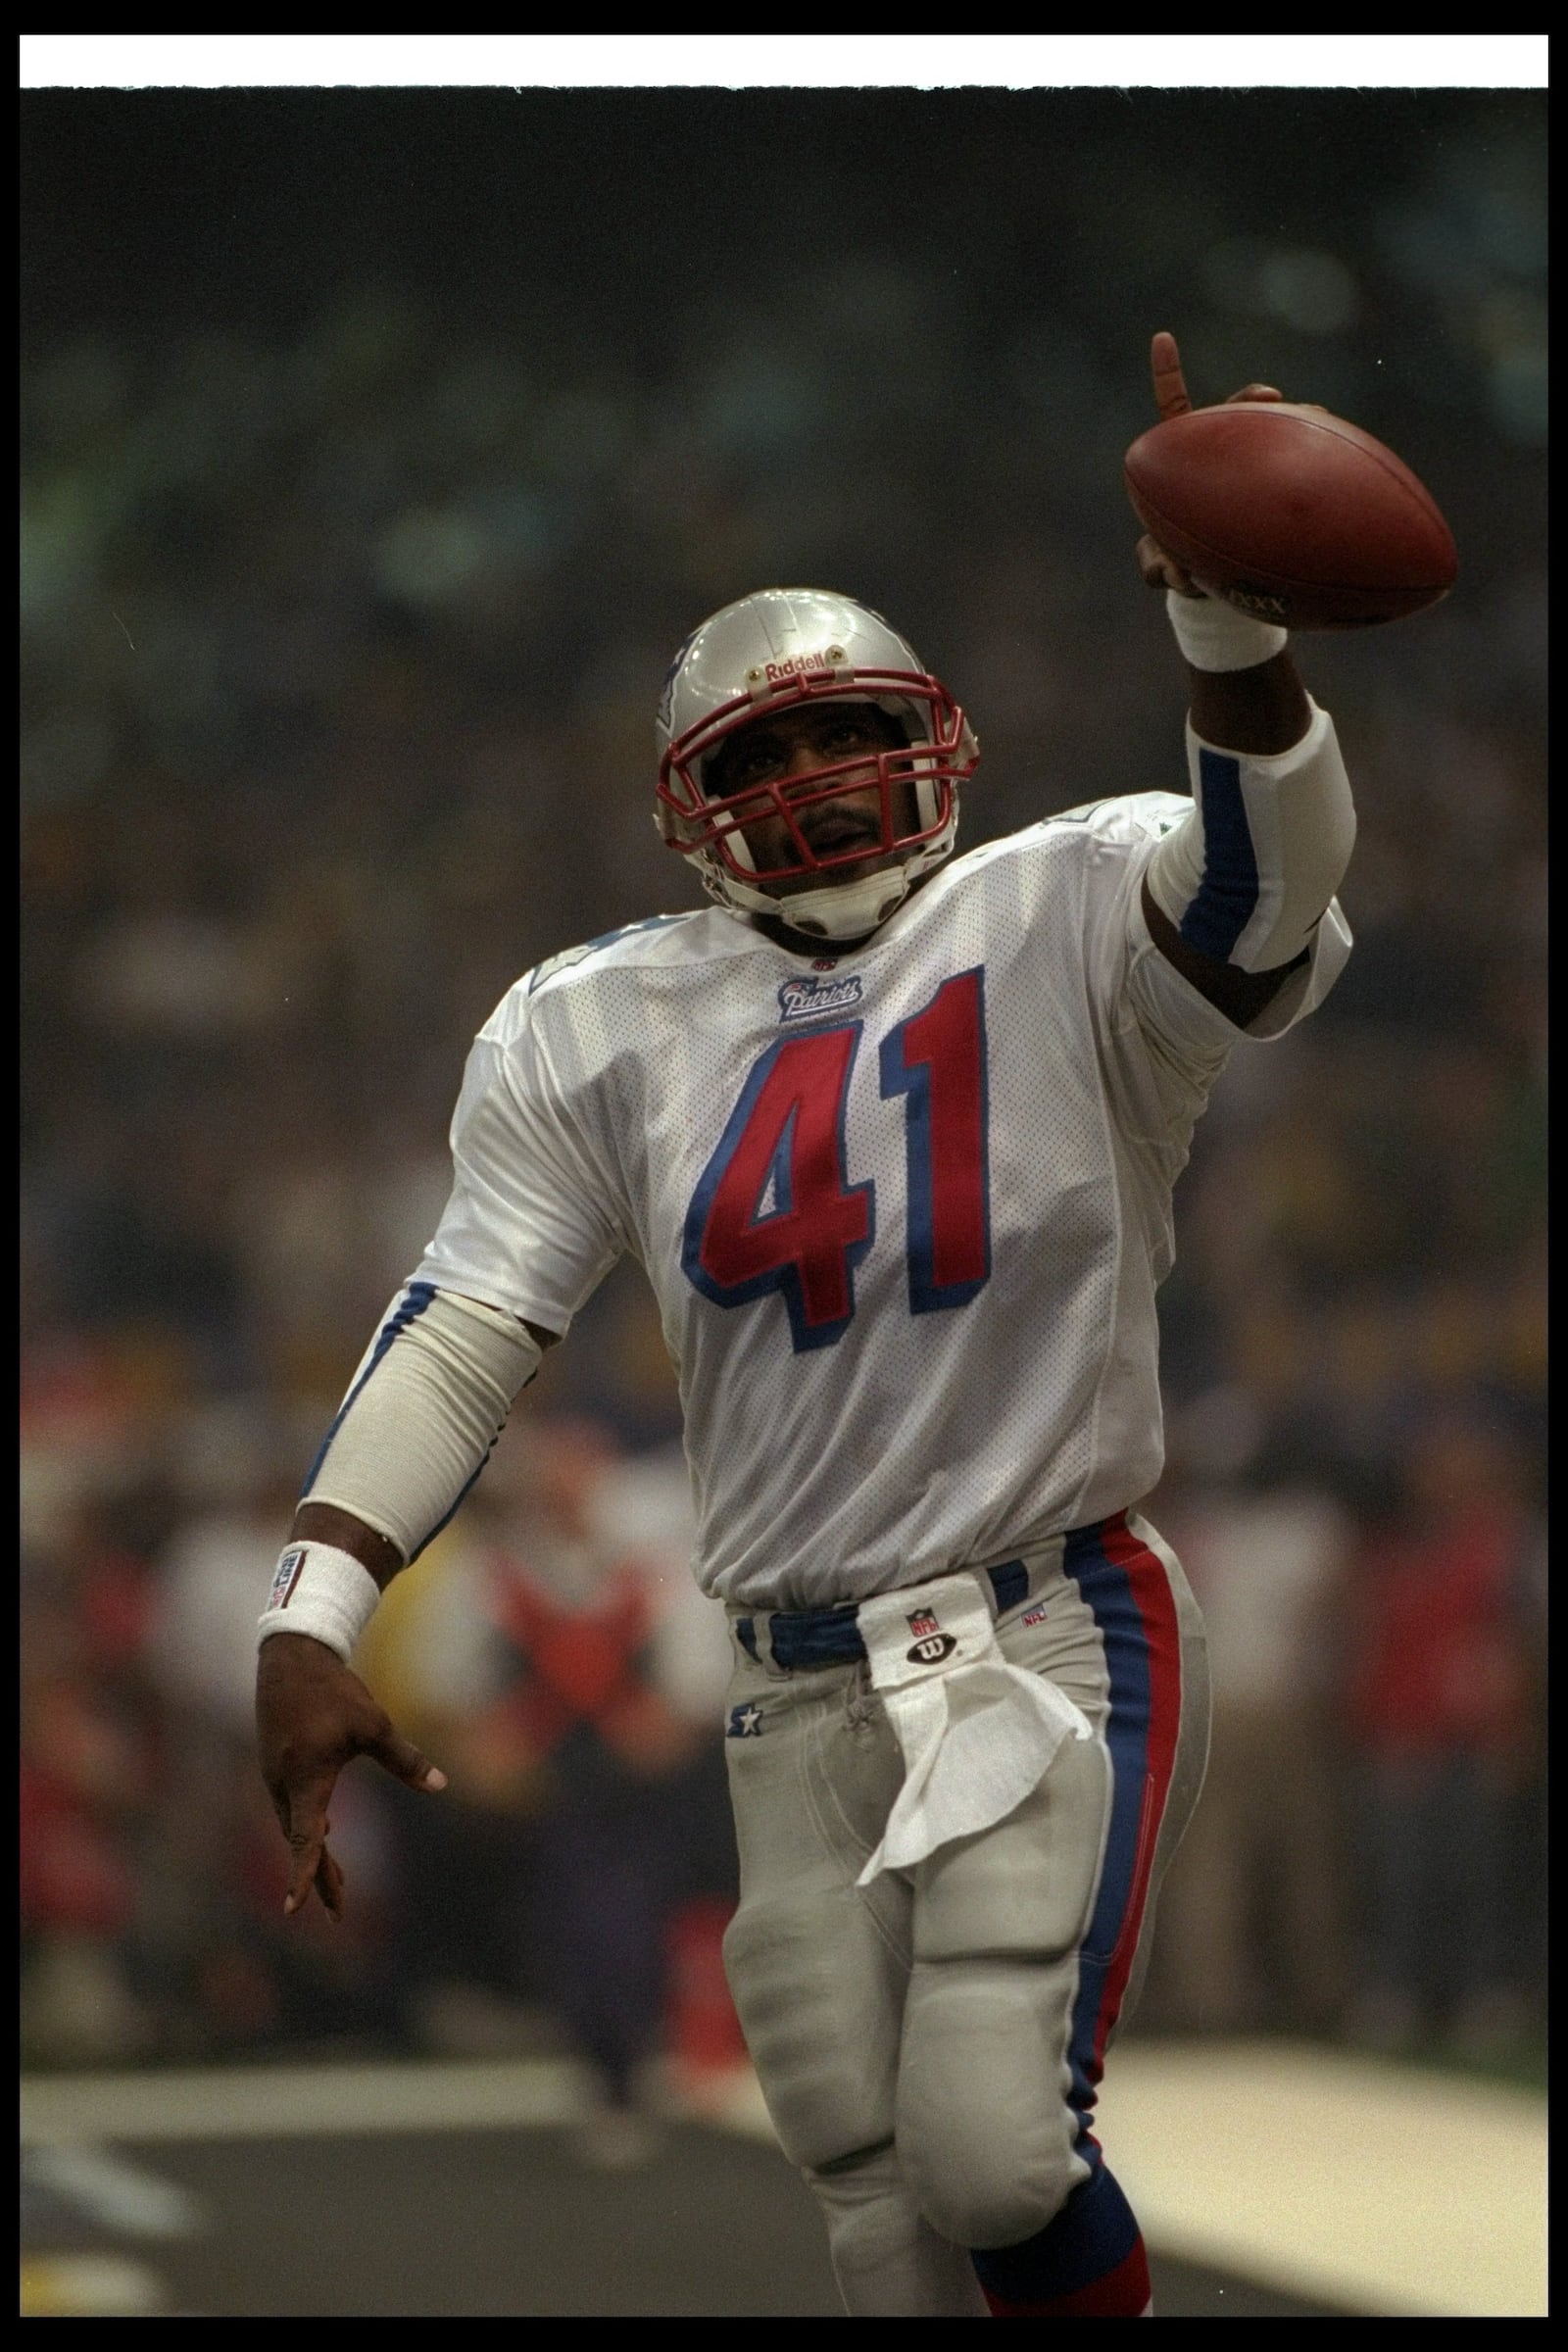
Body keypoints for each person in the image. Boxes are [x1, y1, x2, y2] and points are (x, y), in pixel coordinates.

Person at [256, 331, 1357, 2318]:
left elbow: (1269, 885)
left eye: (834, 728)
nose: (806, 778)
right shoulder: (595, 1017)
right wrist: (308, 1610)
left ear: (933, 729)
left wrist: (1221, 633)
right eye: (749, 758)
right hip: (788, 1678)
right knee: (868, 2195)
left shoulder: (1070, 905)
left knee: (996, 2151)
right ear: (687, 807)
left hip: (1044, 1623)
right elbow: (467, 1316)